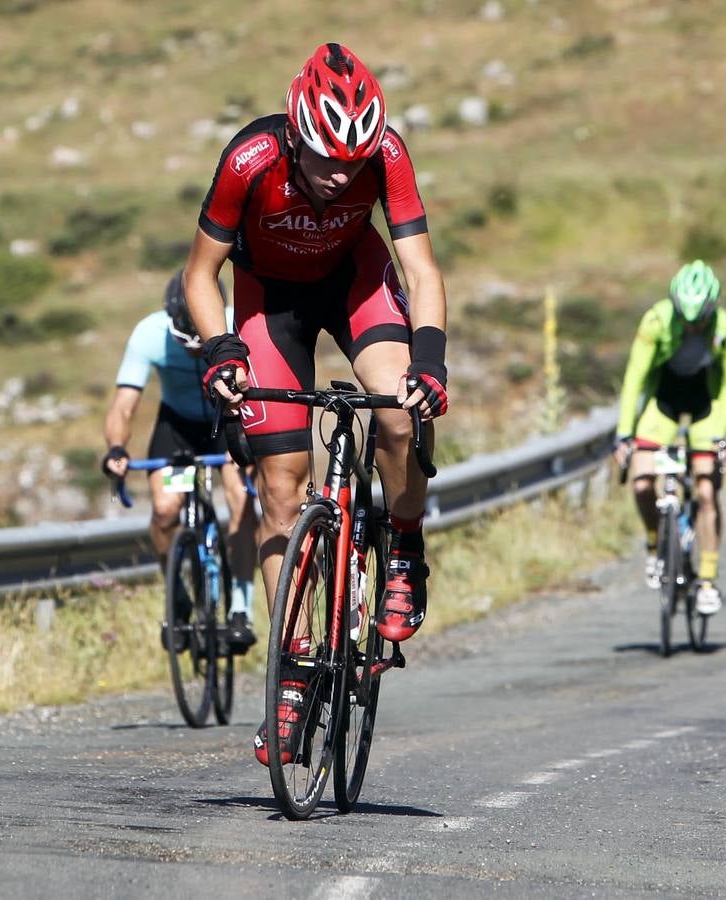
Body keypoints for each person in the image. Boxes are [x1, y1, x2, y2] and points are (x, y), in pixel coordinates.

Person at [183, 43, 449, 767]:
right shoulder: (251, 159)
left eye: (354, 161)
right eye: (327, 159)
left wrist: (429, 357)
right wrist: (220, 351)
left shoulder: (384, 154)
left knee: (398, 409)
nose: (341, 175)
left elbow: (419, 268)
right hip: (270, 303)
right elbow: (200, 276)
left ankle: (405, 546)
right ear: (296, 133)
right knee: (279, 487)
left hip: (355, 284)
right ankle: (294, 670)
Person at [102, 270, 259, 651]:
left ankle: (241, 608)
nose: (191, 350)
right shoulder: (149, 334)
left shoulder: (237, 324)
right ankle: (177, 597)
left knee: (241, 499)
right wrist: (117, 449)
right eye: (183, 342)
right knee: (165, 510)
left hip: (229, 421)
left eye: (198, 344)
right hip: (178, 428)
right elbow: (124, 406)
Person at [613, 261, 726, 616]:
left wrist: (720, 434)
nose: (692, 326)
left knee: (705, 493)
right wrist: (624, 433)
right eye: (685, 320)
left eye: (698, 320)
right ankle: (656, 545)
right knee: (642, 485)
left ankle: (707, 579)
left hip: (707, 404)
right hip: (665, 401)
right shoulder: (655, 322)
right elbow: (635, 378)